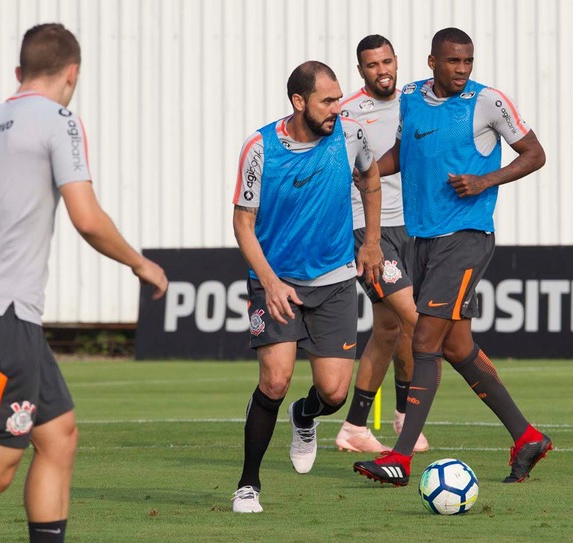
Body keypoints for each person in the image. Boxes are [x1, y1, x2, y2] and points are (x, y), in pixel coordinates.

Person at [0, 23, 167, 542]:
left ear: (18, 73)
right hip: (2, 319)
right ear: (73, 73)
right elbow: (87, 218)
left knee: (59, 437)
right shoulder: (59, 121)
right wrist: (141, 263)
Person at [353, 27, 552, 486]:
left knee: (423, 339)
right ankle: (527, 437)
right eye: (453, 62)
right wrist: (360, 171)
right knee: (457, 346)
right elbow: (405, 152)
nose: (462, 70)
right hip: (423, 240)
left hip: (465, 238)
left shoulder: (488, 102)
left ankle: (399, 460)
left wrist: (485, 181)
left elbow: (535, 154)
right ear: (432, 62)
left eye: (468, 62)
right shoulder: (412, 99)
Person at [231, 60, 383, 513]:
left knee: (335, 394)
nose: (338, 108)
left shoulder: (351, 135)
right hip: (276, 281)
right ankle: (248, 485)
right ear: (299, 102)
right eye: (328, 100)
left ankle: (306, 415)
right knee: (275, 379)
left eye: (338, 98)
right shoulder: (259, 148)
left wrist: (371, 243)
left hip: (335, 279)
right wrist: (271, 282)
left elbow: (371, 181)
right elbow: (242, 222)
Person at [334, 35, 429, 454]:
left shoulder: (416, 100)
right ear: (361, 71)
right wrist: (361, 240)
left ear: (397, 61)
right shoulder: (347, 113)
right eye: (372, 65)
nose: (382, 70)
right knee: (417, 322)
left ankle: (355, 427)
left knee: (390, 328)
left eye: (387, 61)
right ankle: (409, 421)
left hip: (416, 226)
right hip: (369, 229)